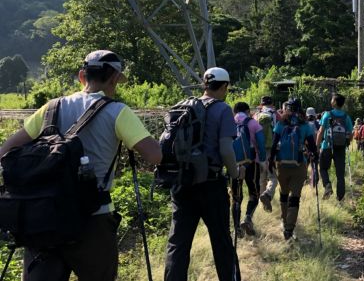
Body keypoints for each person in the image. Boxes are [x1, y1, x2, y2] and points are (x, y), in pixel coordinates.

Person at [0, 50, 162, 281]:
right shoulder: (118, 112)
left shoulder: (51, 108)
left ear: (81, 76)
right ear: (114, 77)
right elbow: (155, 156)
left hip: (43, 217)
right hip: (93, 218)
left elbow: (6, 150)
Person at [164, 67, 244, 281]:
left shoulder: (185, 106)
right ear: (225, 86)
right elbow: (226, 149)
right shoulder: (223, 109)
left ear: (205, 84)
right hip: (211, 183)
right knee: (221, 241)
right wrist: (236, 173)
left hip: (182, 182)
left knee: (178, 243)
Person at [268, 98, 318, 240]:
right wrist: (314, 157)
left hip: (281, 164)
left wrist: (271, 160)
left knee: (284, 193)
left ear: (287, 108)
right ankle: (289, 228)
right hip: (298, 164)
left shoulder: (281, 123)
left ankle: (284, 221)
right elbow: (312, 147)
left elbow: (274, 143)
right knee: (295, 196)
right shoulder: (305, 125)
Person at [232, 101, 267, 237]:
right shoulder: (253, 123)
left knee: (236, 197)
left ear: (235, 112)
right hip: (251, 163)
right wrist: (262, 159)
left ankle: (236, 228)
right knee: (254, 192)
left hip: (233, 164)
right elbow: (261, 145)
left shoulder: (229, 123)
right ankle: (247, 217)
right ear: (247, 111)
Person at [316, 93, 353, 202]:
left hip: (326, 146)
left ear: (335, 102)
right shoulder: (346, 117)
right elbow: (350, 134)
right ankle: (340, 199)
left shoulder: (327, 115)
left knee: (323, 168)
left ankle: (327, 185)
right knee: (340, 174)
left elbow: (320, 131)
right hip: (340, 148)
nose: (331, 100)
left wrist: (317, 146)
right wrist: (346, 142)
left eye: (332, 99)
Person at [255, 96, 280, 212]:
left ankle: (263, 207)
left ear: (261, 104)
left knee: (262, 179)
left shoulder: (257, 115)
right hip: (271, 149)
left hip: (258, 150)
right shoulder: (276, 114)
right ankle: (268, 194)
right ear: (272, 104)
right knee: (273, 177)